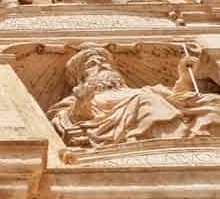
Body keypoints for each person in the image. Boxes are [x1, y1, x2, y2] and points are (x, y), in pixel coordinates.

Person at [49, 46, 220, 148]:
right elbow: (64, 121)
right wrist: (82, 100)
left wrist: (185, 77)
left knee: (211, 103)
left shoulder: (145, 90)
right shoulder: (79, 98)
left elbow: (177, 99)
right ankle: (175, 141)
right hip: (111, 130)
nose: (101, 65)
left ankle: (184, 140)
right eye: (92, 64)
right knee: (144, 99)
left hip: (149, 110)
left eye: (104, 62)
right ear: (81, 76)